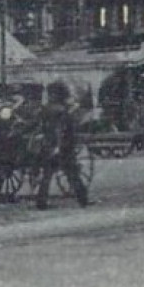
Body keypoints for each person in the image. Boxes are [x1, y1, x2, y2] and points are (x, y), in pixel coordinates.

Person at [34, 82, 91, 211]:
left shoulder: (46, 110)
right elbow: (63, 131)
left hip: (49, 145)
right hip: (62, 147)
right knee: (72, 173)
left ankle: (41, 202)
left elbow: (42, 127)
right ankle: (83, 199)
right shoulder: (63, 112)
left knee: (47, 176)